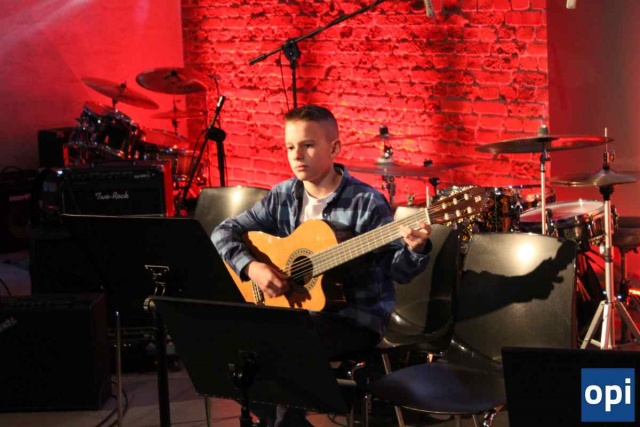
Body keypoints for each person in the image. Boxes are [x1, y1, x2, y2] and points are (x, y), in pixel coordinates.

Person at [211, 104, 432, 426]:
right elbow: (223, 231)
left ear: (334, 148)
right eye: (290, 147)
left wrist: (415, 248)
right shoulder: (283, 195)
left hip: (354, 318)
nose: (297, 155)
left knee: (283, 342)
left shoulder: (366, 202)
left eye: (308, 145)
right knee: (221, 339)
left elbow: (397, 271)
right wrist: (252, 268)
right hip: (294, 313)